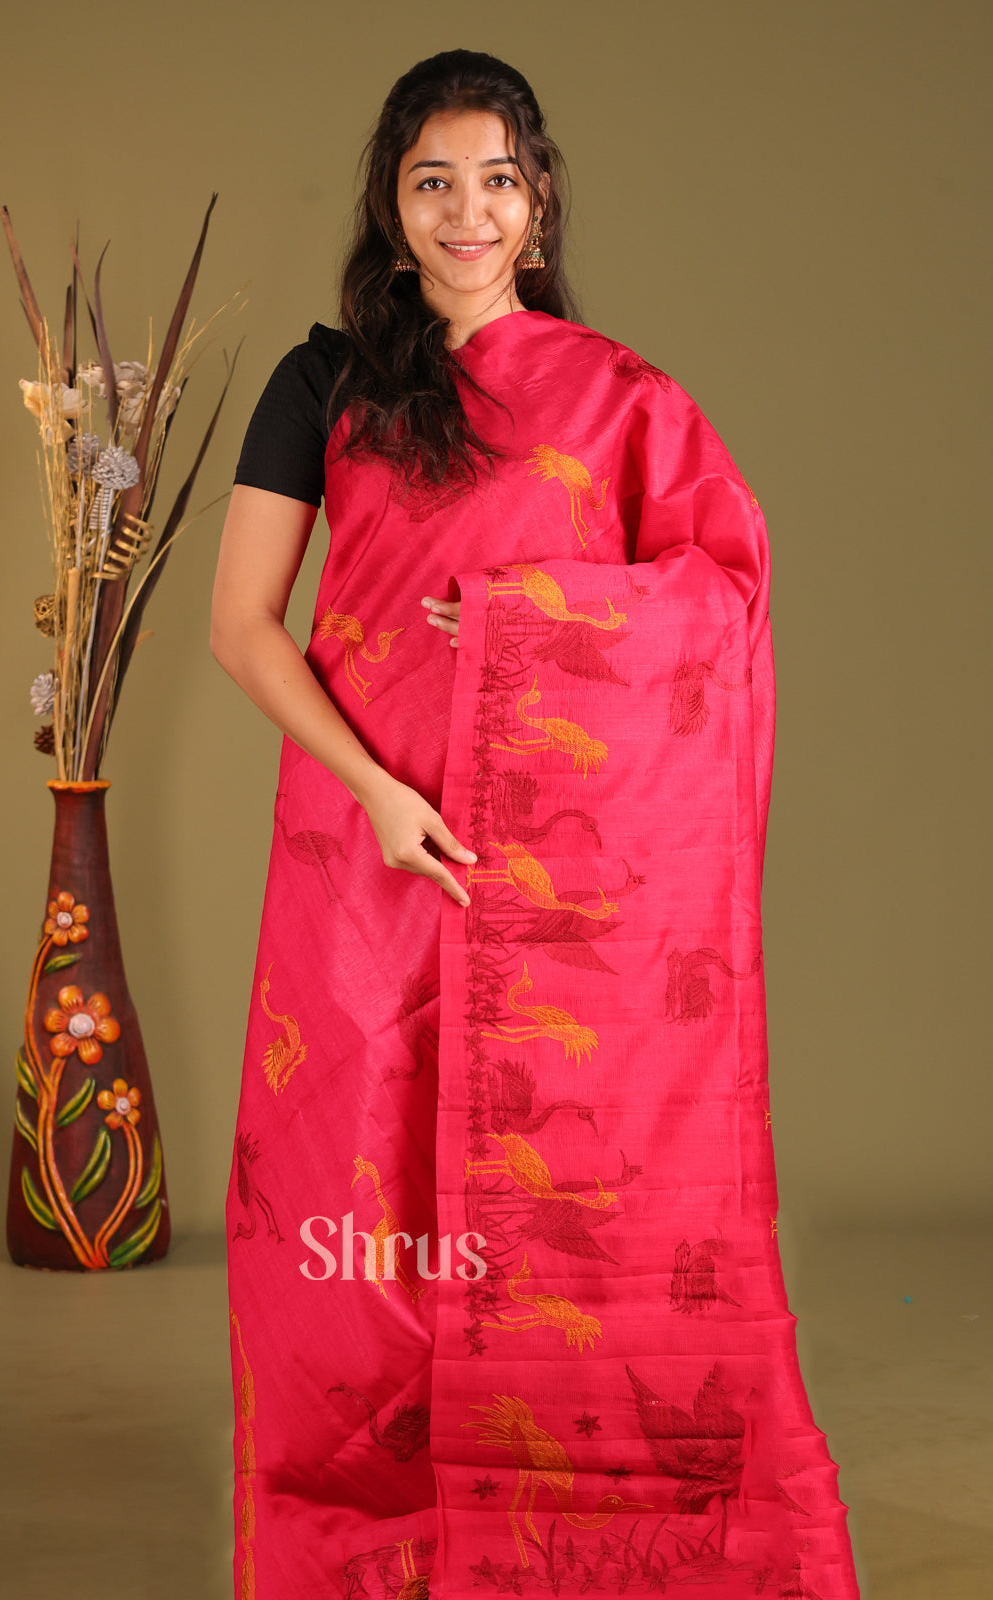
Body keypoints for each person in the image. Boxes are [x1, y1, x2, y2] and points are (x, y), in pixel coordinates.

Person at [210, 48, 862, 1600]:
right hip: (358, 854)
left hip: (550, 880)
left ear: (540, 198)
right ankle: (375, 1534)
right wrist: (372, 789)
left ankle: (555, 1524)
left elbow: (720, 604)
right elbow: (244, 627)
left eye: (496, 179)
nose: (466, 213)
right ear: (392, 200)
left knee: (546, 1213)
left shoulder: (621, 400)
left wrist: (537, 622)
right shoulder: (329, 384)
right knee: (352, 1214)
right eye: (433, 181)